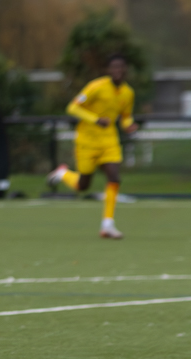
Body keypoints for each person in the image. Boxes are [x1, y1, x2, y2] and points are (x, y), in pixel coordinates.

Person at [47, 54, 137, 239]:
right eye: (114, 67)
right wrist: (95, 120)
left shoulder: (128, 93)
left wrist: (129, 125)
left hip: (109, 141)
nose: (117, 71)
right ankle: (63, 173)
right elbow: (72, 108)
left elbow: (125, 115)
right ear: (108, 70)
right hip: (86, 141)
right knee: (83, 185)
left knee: (114, 177)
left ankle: (107, 225)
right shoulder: (96, 86)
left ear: (125, 69)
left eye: (121, 67)